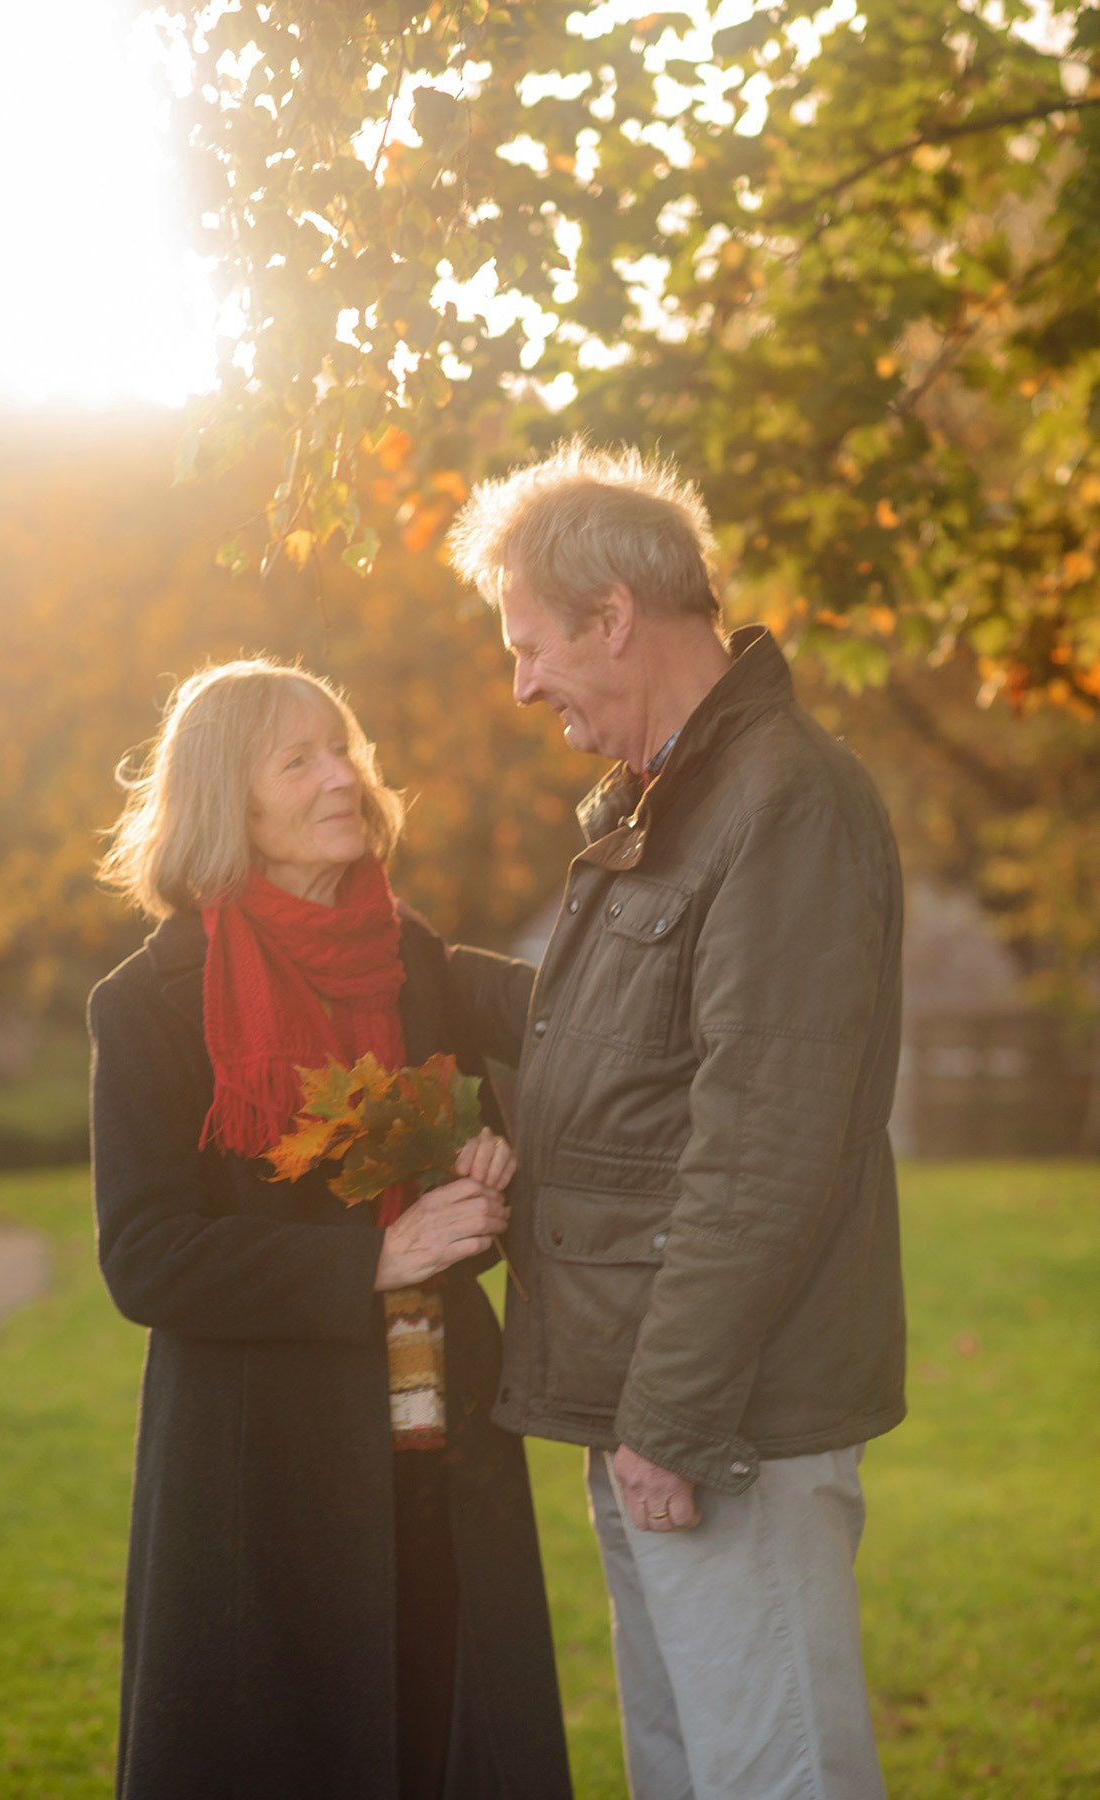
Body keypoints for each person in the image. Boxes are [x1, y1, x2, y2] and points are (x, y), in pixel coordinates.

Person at [445, 439, 905, 1800]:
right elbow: (631, 1053)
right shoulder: (679, 800)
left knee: (773, 1777)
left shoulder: (781, 801)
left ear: (613, 617)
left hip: (719, 1419)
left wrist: (671, 1416)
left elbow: (766, 1137)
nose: (521, 683)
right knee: (690, 1772)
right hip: (657, 1405)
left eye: (531, 645)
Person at [88, 657, 572, 1800]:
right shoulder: (148, 1000)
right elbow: (144, 1254)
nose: (340, 776)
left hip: (437, 1432)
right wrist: (371, 1260)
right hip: (262, 1460)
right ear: (226, 798)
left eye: (343, 747)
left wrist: (480, 1171)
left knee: (447, 1733)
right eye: (296, 758)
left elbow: (470, 1160)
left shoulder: (409, 956)